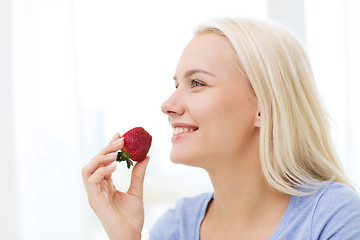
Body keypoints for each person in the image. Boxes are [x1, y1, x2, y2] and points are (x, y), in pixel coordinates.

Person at [82, 18, 360, 240]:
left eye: (197, 83)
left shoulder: (333, 217)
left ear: (264, 106)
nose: (167, 104)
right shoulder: (176, 227)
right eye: (177, 84)